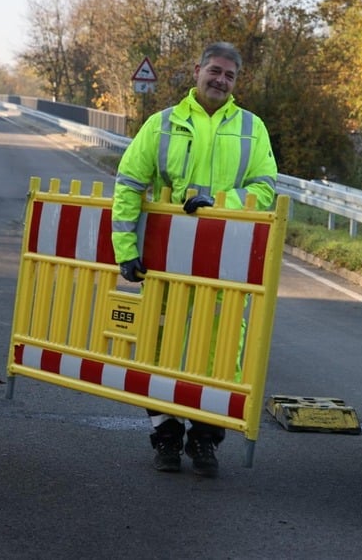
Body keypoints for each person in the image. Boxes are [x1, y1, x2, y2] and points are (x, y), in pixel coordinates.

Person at [111, 41, 278, 477]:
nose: (221, 80)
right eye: (215, 71)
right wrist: (126, 251)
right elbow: (129, 183)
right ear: (198, 70)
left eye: (230, 76)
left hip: (225, 264)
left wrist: (221, 201)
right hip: (167, 265)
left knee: (220, 354)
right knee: (160, 348)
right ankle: (165, 437)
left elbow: (265, 189)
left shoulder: (251, 127)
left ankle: (205, 439)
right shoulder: (162, 124)